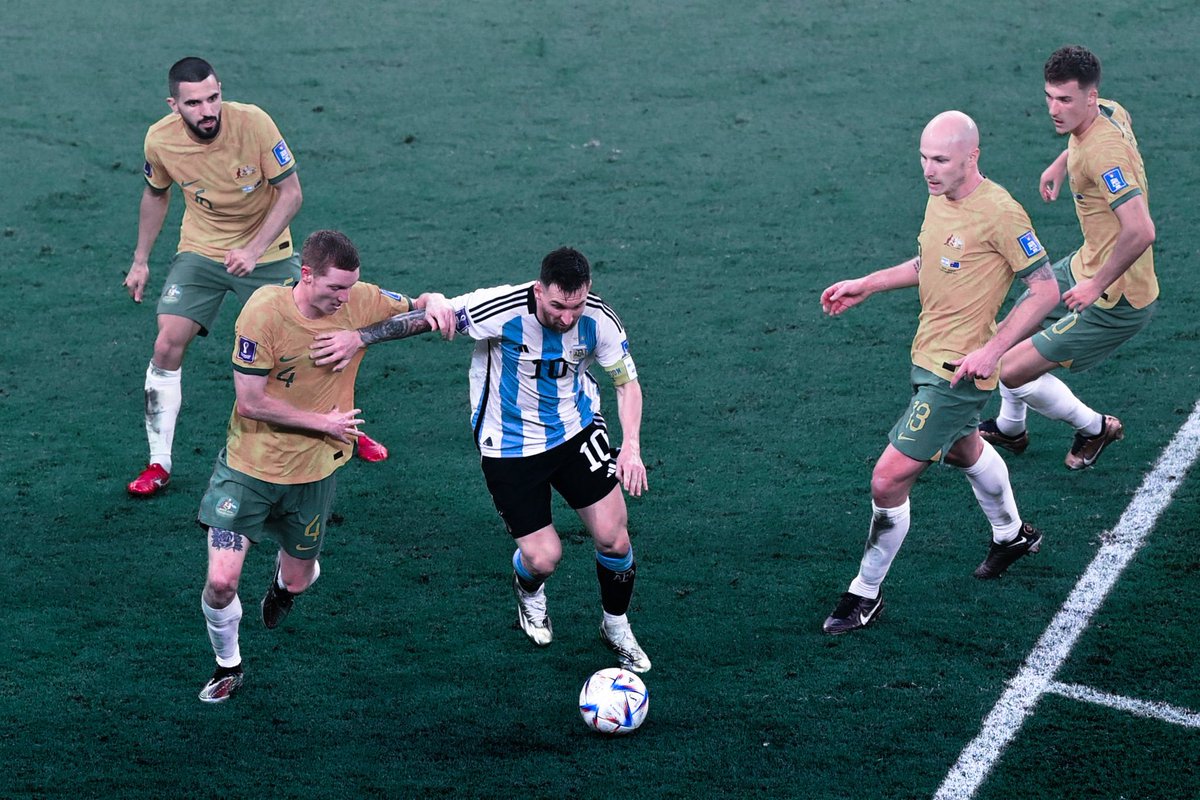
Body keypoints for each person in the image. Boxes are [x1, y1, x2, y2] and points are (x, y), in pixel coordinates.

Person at [311, 247, 652, 672]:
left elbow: (626, 384)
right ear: (539, 290)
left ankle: (615, 625)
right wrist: (359, 337)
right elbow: (431, 318)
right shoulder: (501, 307)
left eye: (576, 306)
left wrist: (631, 447)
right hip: (509, 446)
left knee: (614, 538)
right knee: (544, 558)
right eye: (558, 306)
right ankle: (529, 589)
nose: (567, 318)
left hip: (575, 430)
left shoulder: (599, 320)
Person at [818, 111, 1061, 635]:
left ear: (972, 157)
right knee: (963, 448)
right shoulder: (939, 196)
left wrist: (993, 350)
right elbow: (928, 262)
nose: (929, 170)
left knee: (887, 479)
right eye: (924, 158)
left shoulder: (1001, 212)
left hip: (958, 374)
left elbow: (1045, 289)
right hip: (926, 356)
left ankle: (864, 593)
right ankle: (1012, 535)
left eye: (941, 160)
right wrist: (868, 284)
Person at [196, 229, 449, 703]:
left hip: (313, 473)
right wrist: (323, 423)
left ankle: (283, 586)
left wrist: (418, 307)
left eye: (350, 287)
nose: (344, 298)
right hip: (250, 466)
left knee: (299, 579)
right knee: (221, 581)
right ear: (307, 275)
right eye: (336, 287)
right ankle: (228, 664)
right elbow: (250, 402)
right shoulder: (264, 313)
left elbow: (418, 310)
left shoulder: (359, 300)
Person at [123, 57, 388, 497]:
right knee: (166, 342)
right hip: (202, 250)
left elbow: (292, 193)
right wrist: (140, 260)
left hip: (267, 251)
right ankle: (158, 462)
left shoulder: (255, 123)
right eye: (194, 103)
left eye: (213, 97)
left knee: (314, 340)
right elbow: (156, 194)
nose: (208, 110)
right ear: (174, 105)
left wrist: (253, 249)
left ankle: (345, 426)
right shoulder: (159, 140)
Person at [979, 45, 1158, 470]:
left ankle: (1095, 428)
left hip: (1117, 298)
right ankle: (1011, 428)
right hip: (1085, 263)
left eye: (1065, 100)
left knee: (1008, 368)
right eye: (1049, 97)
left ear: (1089, 97)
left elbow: (1141, 230)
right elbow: (1099, 136)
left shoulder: (1103, 155)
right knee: (1008, 330)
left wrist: (1095, 286)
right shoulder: (1109, 110)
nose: (1053, 109)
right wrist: (1063, 162)